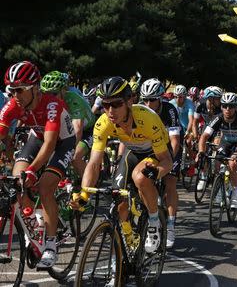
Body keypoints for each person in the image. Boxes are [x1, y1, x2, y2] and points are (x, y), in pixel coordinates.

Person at [79, 76, 173, 255]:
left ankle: (154, 222)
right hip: (133, 151)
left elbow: (167, 160)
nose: (110, 111)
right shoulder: (103, 122)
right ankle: (129, 236)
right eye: (105, 105)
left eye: (116, 104)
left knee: (140, 177)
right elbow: (94, 162)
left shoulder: (148, 119)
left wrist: (158, 172)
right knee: (117, 196)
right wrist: (84, 193)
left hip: (156, 152)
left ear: (130, 101)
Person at [0, 61, 76, 268]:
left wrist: (33, 170)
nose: (15, 95)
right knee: (17, 183)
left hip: (62, 142)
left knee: (44, 187)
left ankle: (51, 244)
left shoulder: (52, 105)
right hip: (38, 138)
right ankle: (34, 228)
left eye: (20, 90)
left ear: (35, 88)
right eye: (12, 90)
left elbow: (51, 144)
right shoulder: (13, 105)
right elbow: (1, 133)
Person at [140, 78, 181, 249]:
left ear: (160, 98)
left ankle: (170, 226)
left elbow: (175, 141)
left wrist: (169, 161)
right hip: (151, 147)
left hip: (170, 147)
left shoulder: (169, 109)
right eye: (145, 100)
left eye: (152, 99)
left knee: (170, 182)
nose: (148, 103)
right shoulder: (141, 110)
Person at [196, 92, 237, 208]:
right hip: (225, 143)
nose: (227, 109)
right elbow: (204, 136)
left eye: (231, 106)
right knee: (217, 163)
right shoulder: (218, 117)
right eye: (225, 106)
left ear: (236, 108)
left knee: (232, 164)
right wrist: (201, 151)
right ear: (221, 107)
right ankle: (220, 189)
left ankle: (235, 193)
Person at [40, 71, 96, 178]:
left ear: (63, 91)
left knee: (75, 157)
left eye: (53, 94)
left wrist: (69, 151)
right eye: (45, 94)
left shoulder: (74, 99)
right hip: (67, 129)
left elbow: (78, 129)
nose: (49, 97)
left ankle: (89, 185)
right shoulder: (46, 102)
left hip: (87, 130)